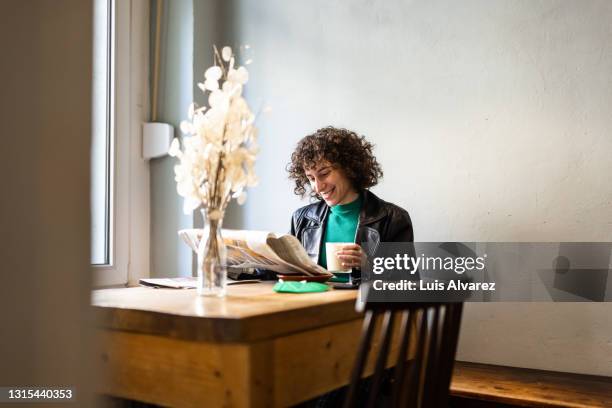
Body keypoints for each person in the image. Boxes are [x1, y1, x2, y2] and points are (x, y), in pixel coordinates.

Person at [287, 126, 413, 285]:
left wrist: (371, 265)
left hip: (362, 308)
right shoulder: (302, 219)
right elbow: (285, 270)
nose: (318, 187)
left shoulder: (393, 218)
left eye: (324, 174)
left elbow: (408, 284)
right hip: (312, 306)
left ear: (348, 168)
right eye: (311, 178)